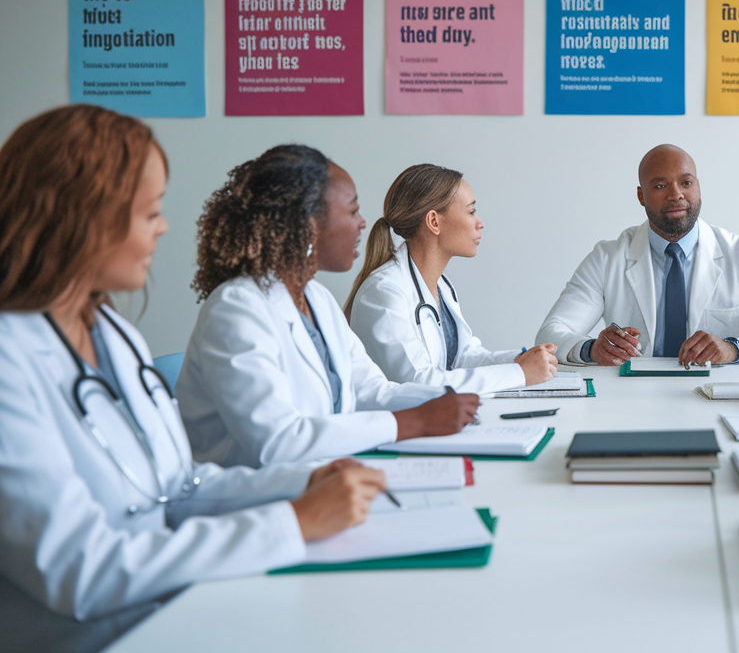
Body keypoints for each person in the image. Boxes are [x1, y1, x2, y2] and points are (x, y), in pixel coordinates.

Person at [0, 106, 386, 652]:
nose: (163, 226)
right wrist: (292, 524)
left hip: (176, 608)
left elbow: (181, 489)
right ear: (82, 216)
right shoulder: (9, 362)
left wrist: (302, 486)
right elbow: (78, 568)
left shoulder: (113, 333)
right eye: (149, 212)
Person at [176, 145, 478, 468]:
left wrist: (451, 403)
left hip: (325, 478)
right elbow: (276, 441)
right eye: (352, 211)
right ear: (308, 225)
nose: (363, 223)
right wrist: (414, 422)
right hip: (252, 501)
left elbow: (371, 391)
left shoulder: (317, 300)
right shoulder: (235, 310)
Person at [536, 144, 739, 366]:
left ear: (699, 187)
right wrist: (592, 348)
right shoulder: (607, 257)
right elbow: (551, 333)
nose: (676, 194)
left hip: (716, 393)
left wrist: (734, 349)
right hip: (631, 398)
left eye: (686, 182)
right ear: (641, 196)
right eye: (660, 186)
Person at [345, 163, 557, 393]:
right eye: (471, 211)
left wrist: (523, 358)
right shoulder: (383, 292)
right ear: (434, 222)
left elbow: (463, 358)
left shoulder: (442, 286)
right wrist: (519, 373)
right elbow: (418, 382)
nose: (480, 223)